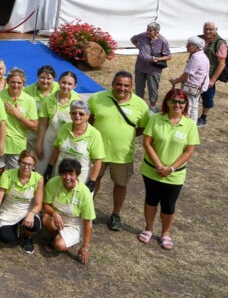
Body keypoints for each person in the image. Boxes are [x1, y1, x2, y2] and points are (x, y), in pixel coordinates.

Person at [138, 88, 199, 251]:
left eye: (181, 101)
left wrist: (170, 169)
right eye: (173, 100)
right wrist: (158, 165)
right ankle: (148, 228)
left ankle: (165, 233)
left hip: (174, 175)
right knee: (151, 200)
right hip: (152, 170)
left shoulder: (190, 125)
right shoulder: (156, 118)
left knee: (169, 205)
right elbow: (147, 142)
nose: (177, 104)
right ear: (167, 102)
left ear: (186, 104)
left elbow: (189, 151)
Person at [89, 71, 149, 232]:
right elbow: (89, 120)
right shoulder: (97, 98)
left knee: (121, 184)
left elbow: (142, 128)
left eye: (126, 85)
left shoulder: (141, 106)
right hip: (97, 152)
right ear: (112, 83)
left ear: (131, 87)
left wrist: (126, 137)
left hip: (122, 154)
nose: (122, 88)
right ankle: (88, 209)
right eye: (119, 84)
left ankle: (115, 214)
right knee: (93, 181)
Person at [0, 150, 44, 254]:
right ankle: (15, 227)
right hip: (9, 210)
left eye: (29, 164)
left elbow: (38, 204)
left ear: (34, 166)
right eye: (23, 163)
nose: (26, 167)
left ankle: (28, 237)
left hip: (27, 210)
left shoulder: (38, 179)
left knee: (35, 225)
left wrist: (31, 213)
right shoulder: (7, 175)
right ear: (18, 163)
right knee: (6, 237)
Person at [42, 158, 95, 264]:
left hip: (74, 223)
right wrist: (54, 213)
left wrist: (85, 247)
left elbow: (87, 223)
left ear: (77, 175)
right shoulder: (53, 183)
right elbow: (46, 205)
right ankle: (55, 235)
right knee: (46, 219)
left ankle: (64, 239)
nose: (67, 178)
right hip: (58, 217)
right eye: (64, 174)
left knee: (59, 245)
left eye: (71, 174)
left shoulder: (84, 193)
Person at [47, 100, 104, 188]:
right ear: (70, 114)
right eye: (74, 113)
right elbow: (56, 148)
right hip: (60, 174)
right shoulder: (65, 128)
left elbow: (98, 161)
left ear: (88, 116)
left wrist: (92, 180)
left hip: (81, 177)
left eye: (81, 114)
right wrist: (50, 167)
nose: (77, 116)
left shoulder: (94, 134)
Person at [0, 68, 38, 186]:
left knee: (13, 174)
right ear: (7, 81)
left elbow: (34, 126)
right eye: (13, 82)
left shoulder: (29, 100)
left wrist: (18, 115)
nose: (16, 85)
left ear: (23, 83)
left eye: (19, 83)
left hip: (17, 144)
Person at [35, 71, 80, 163]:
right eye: (63, 82)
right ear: (58, 82)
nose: (66, 86)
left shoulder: (77, 100)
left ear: (74, 86)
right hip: (50, 139)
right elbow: (43, 125)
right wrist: (39, 145)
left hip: (67, 140)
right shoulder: (48, 100)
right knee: (43, 165)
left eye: (69, 84)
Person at [131, 22, 172, 111]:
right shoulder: (142, 36)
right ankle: (139, 105)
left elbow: (168, 56)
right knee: (139, 87)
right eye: (147, 29)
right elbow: (133, 39)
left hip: (153, 70)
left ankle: (152, 107)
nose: (147, 32)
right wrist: (138, 46)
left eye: (150, 31)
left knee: (153, 88)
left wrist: (158, 59)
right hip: (140, 67)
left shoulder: (162, 41)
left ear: (156, 32)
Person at [169, 36, 209, 123]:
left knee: (188, 107)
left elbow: (187, 74)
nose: (187, 46)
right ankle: (192, 126)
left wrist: (175, 81)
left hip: (192, 87)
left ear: (196, 47)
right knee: (194, 107)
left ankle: (186, 125)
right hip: (198, 87)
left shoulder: (195, 58)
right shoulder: (203, 56)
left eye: (189, 45)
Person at [198, 22, 228, 128]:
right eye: (206, 28)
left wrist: (213, 80)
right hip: (196, 74)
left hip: (208, 76)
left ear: (216, 29)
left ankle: (203, 118)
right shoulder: (199, 39)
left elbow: (221, 64)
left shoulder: (220, 43)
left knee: (207, 98)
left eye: (210, 29)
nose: (207, 31)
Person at [24, 64, 57, 153]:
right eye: (42, 78)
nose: (45, 81)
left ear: (53, 79)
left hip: (51, 131)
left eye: (49, 79)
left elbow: (76, 97)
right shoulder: (28, 90)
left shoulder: (59, 88)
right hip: (32, 131)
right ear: (37, 77)